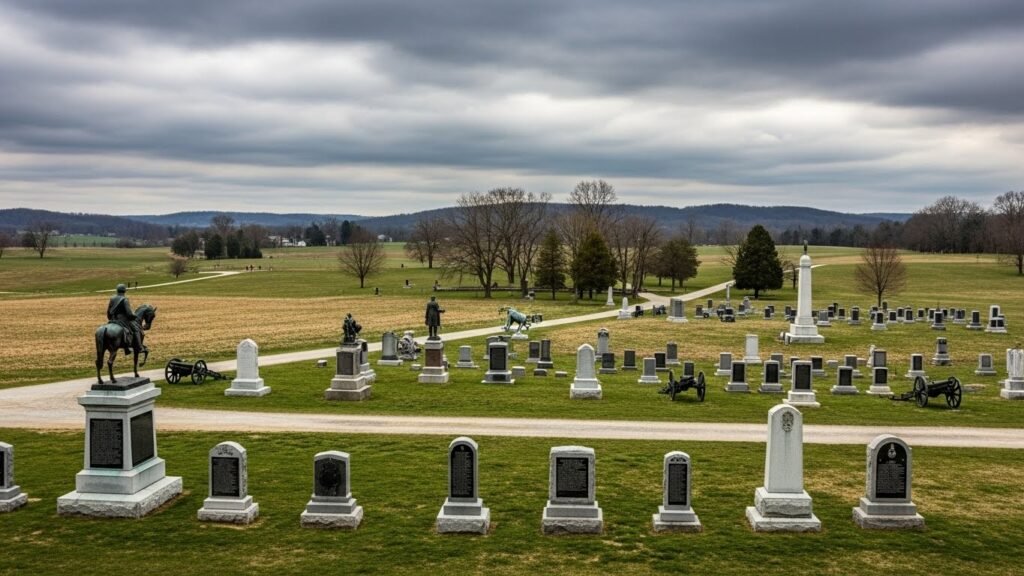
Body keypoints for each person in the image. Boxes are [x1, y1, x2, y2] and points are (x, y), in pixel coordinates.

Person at [107, 283, 140, 354]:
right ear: (124, 291)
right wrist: (134, 316)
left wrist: (110, 319)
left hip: (113, 319)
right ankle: (139, 347)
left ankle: (126, 348)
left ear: (117, 290)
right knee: (136, 329)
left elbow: (108, 311)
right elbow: (129, 313)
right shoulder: (125, 299)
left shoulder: (112, 298)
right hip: (122, 320)